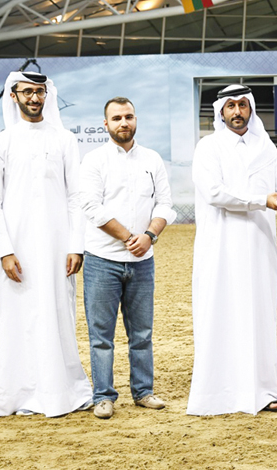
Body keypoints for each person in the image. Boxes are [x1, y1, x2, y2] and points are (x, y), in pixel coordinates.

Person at [0, 71, 93, 417]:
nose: (35, 98)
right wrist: (4, 250)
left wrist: (76, 245)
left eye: (40, 92)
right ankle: (20, 395)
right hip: (16, 250)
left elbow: (76, 197)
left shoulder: (64, 140)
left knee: (58, 314)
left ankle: (62, 392)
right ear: (14, 96)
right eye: (28, 92)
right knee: (19, 319)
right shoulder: (0, 143)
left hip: (58, 247)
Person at [187, 85, 277, 416]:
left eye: (243, 105)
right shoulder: (208, 147)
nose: (237, 111)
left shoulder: (266, 146)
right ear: (221, 111)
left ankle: (263, 391)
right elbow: (215, 193)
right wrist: (261, 200)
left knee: (259, 315)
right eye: (230, 106)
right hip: (220, 247)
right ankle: (217, 394)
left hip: (260, 245)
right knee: (219, 313)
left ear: (251, 109)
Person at [79, 97, 176, 419]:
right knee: (101, 336)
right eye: (117, 118)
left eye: (129, 116)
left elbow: (165, 204)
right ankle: (103, 396)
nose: (124, 123)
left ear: (136, 120)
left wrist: (149, 236)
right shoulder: (94, 161)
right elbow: (91, 207)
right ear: (105, 124)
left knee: (142, 333)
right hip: (101, 261)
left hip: (142, 261)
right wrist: (128, 237)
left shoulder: (152, 159)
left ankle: (143, 391)